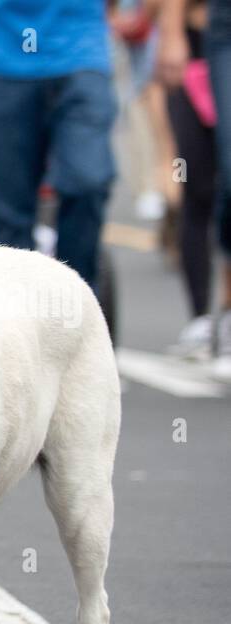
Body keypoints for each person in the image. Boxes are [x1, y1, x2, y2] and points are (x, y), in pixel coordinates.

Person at [0, 0, 116, 295]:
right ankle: (20, 323)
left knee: (88, 179)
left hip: (78, 47)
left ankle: (76, 305)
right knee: (10, 214)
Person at [161, 0, 231, 377]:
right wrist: (171, 34)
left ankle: (228, 309)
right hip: (196, 53)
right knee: (197, 188)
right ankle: (202, 317)